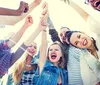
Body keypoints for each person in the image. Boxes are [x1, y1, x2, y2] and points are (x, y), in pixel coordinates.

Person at [0, 2, 49, 85]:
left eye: (34, 47)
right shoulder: (16, 65)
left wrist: (35, 28)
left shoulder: (4, 61)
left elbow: (21, 46)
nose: (33, 48)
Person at [48, 17, 84, 85]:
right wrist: (47, 17)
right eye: (61, 35)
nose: (63, 36)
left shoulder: (80, 43)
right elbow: (53, 32)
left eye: (66, 33)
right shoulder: (62, 47)